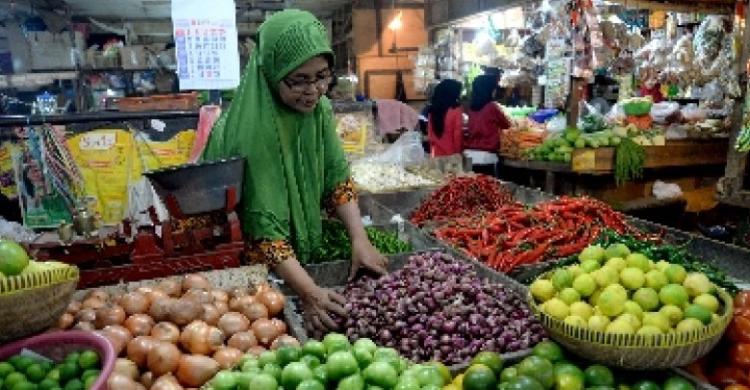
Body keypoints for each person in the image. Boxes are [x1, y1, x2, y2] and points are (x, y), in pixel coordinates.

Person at [201, 10, 387, 333]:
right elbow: (262, 228)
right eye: (298, 80)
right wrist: (309, 292)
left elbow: (336, 177)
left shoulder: (319, 110)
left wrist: (360, 239)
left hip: (293, 257)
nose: (313, 90)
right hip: (252, 266)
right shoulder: (253, 129)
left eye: (323, 76)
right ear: (272, 74)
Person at [464, 75, 512, 176]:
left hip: (468, 155)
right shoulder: (492, 107)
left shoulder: (471, 107)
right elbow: (507, 125)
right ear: (489, 90)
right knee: (487, 189)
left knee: (469, 187)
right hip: (486, 156)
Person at [427, 79, 463, 156]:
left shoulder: (433, 110)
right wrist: (458, 153)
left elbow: (430, 136)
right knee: (467, 164)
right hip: (451, 155)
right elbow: (457, 137)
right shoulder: (456, 110)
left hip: (435, 154)